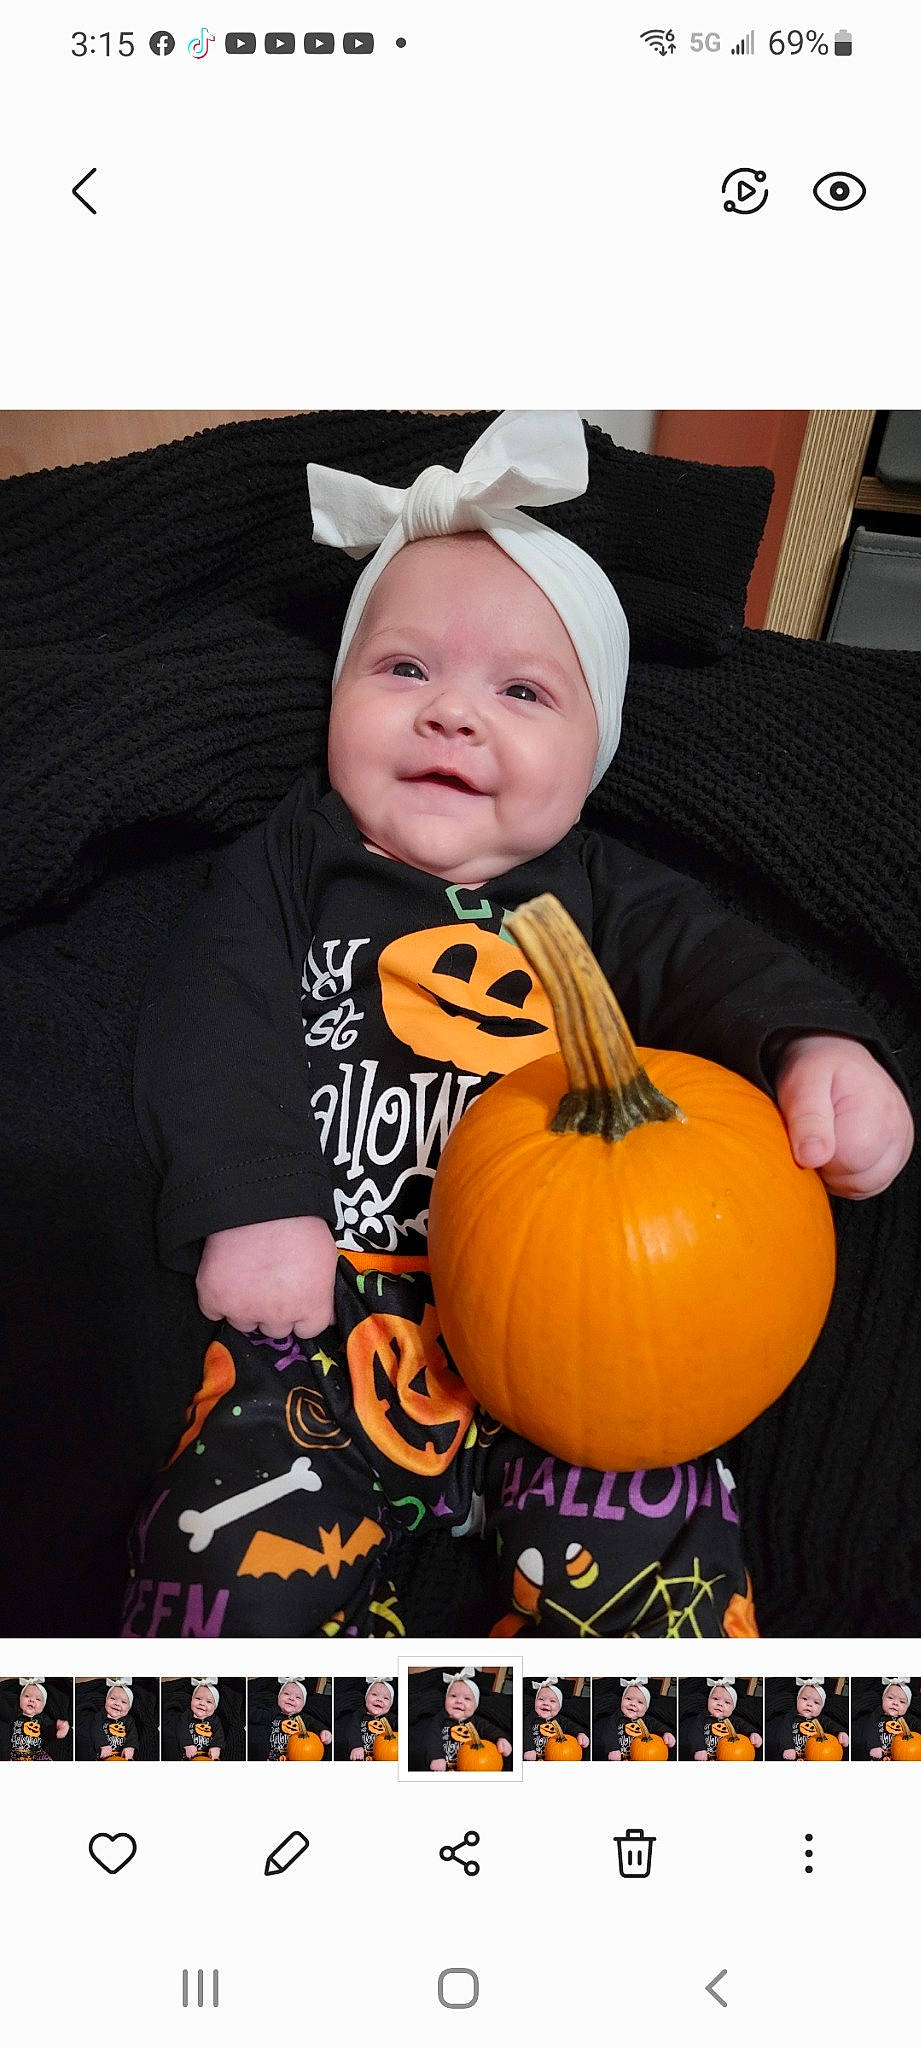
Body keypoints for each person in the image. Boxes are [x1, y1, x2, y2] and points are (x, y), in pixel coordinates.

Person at [124, 411, 913, 1641]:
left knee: (657, 1553)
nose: (453, 714)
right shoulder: (297, 859)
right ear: (334, 696)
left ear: (590, 756)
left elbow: (721, 963)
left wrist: (819, 1044)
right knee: (232, 1553)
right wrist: (252, 1196)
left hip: (594, 1333)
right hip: (336, 1312)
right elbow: (209, 1007)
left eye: (523, 690)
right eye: (403, 670)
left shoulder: (600, 888)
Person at [422, 1668, 512, 1772]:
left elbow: (490, 1729)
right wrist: (436, 1756)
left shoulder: (476, 1721)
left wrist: (501, 1739)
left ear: (475, 1706)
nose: (459, 1701)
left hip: (470, 1766)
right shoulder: (441, 1718)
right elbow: (432, 1736)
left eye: (467, 1698)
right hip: (443, 1766)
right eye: (453, 1696)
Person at [687, 1677, 762, 1761]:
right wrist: (699, 1748)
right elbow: (695, 1732)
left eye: (727, 1702)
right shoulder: (703, 1718)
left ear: (732, 1708)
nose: (720, 1704)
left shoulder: (733, 1720)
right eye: (715, 1699)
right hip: (706, 1757)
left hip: (728, 1756)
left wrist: (753, 1733)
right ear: (708, 1700)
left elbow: (744, 1726)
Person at [602, 1678, 676, 1760]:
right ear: (622, 1700)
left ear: (646, 1708)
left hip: (641, 1757)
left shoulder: (647, 1720)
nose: (633, 1704)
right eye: (628, 1699)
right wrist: (612, 1749)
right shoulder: (616, 1718)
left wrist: (666, 1733)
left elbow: (659, 1726)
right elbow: (609, 1734)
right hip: (620, 1758)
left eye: (640, 1702)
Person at [524, 1677, 589, 1760]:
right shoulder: (531, 1717)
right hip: (532, 1756)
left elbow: (572, 1726)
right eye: (541, 1699)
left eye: (552, 1701)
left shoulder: (560, 1720)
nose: (546, 1703)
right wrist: (528, 1748)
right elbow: (525, 1731)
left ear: (559, 1707)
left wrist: (580, 1733)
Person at [347, 1677, 398, 1760]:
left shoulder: (391, 1718)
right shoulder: (359, 1714)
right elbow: (353, 1729)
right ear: (366, 1698)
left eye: (386, 1698)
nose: (379, 1699)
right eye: (374, 1694)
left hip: (384, 1756)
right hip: (361, 1756)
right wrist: (356, 1746)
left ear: (390, 1705)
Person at [94, 1679, 139, 1760]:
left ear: (129, 1708)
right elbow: (95, 1730)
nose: (117, 1703)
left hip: (122, 1756)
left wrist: (130, 1747)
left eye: (123, 1702)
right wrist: (103, 1744)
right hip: (102, 1755)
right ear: (106, 1701)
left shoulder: (129, 1720)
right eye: (112, 1698)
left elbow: (133, 1735)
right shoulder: (100, 1716)